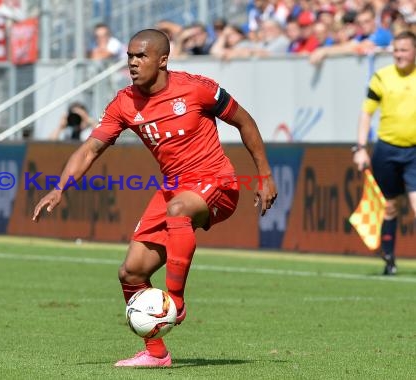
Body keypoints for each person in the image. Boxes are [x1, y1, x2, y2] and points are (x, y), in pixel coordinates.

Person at [32, 29, 278, 367]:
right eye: (130, 56)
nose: (133, 62)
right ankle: (156, 354)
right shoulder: (124, 103)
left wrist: (264, 175)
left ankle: (175, 302)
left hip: (218, 183)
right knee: (131, 272)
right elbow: (91, 148)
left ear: (162, 60)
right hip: (174, 187)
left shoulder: (197, 88)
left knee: (178, 209)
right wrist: (60, 187)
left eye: (141, 56)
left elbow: (244, 121)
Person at [352, 31, 416, 275]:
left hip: (414, 151)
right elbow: (366, 112)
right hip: (387, 150)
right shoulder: (382, 77)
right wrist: (360, 147)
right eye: (396, 50)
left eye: (404, 50)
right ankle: (389, 258)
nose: (399, 54)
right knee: (390, 206)